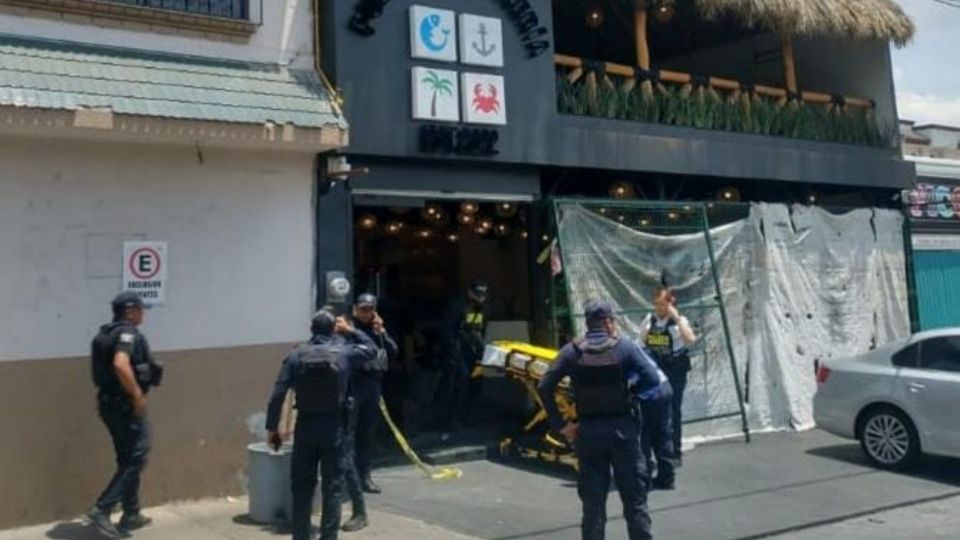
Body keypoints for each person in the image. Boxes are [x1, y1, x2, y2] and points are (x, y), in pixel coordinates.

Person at [538, 300, 662, 540]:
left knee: (593, 507)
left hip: (589, 433)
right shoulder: (624, 347)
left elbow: (545, 385)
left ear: (588, 322)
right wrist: (631, 392)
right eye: (612, 320)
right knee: (635, 503)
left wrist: (562, 425)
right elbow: (653, 380)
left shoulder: (571, 351)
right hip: (623, 433)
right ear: (607, 321)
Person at [264, 309, 377, 540]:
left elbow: (278, 394)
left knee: (302, 488)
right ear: (333, 329)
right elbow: (372, 349)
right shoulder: (344, 353)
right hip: (334, 428)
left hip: (305, 428)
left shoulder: (296, 356)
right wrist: (351, 329)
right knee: (332, 490)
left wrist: (272, 429)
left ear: (311, 330)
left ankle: (301, 537)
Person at [86, 292, 164, 539]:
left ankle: (131, 513)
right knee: (138, 455)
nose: (143, 314)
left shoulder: (104, 334)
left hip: (109, 405)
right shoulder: (127, 333)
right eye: (141, 309)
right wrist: (137, 397)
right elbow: (121, 363)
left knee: (127, 457)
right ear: (130, 311)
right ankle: (103, 508)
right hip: (125, 406)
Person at [340, 293, 398, 532]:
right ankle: (350, 480)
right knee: (350, 436)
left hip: (373, 386)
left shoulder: (377, 330)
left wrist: (382, 332)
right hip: (355, 386)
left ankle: (365, 475)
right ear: (355, 309)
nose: (366, 312)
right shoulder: (348, 329)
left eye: (370, 309)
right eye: (363, 309)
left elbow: (393, 352)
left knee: (367, 433)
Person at [640, 287, 697, 464]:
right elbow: (643, 340)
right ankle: (659, 451)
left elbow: (690, 339)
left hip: (675, 369)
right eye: (657, 304)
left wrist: (676, 317)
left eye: (663, 304)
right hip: (657, 369)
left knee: (673, 409)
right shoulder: (650, 320)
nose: (659, 308)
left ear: (671, 304)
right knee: (653, 410)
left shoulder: (679, 321)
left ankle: (675, 452)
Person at [436, 279, 488, 439]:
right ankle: (452, 420)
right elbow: (446, 330)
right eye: (477, 294)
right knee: (459, 384)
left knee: (476, 383)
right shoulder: (457, 306)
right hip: (458, 352)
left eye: (483, 295)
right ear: (470, 292)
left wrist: (481, 351)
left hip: (474, 352)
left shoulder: (481, 309)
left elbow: (481, 330)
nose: (481, 297)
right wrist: (453, 352)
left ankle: (470, 418)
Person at [632, 360, 677, 490]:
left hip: (648, 394)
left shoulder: (618, 354)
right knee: (663, 435)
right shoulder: (635, 349)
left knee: (643, 436)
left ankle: (644, 479)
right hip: (664, 386)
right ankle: (667, 478)